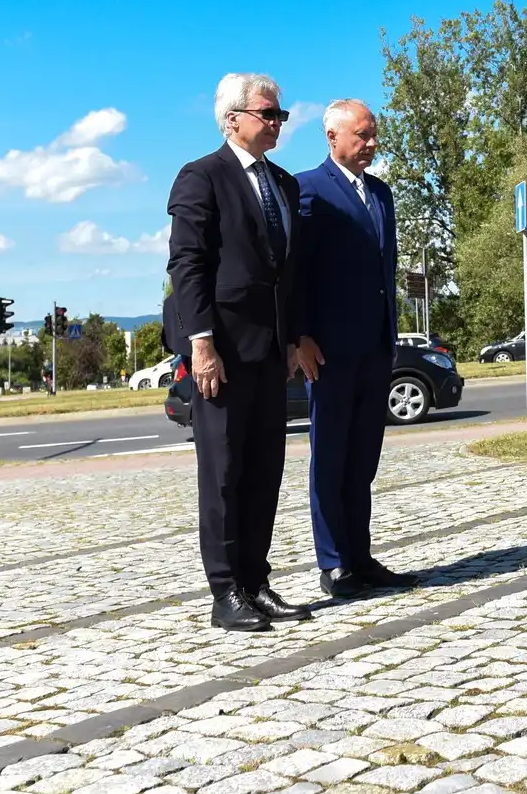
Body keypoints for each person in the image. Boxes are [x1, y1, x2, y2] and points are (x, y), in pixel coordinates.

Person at [166, 72, 323, 631]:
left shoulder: (283, 183)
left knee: (265, 470)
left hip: (270, 353)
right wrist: (201, 342)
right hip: (223, 352)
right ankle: (225, 590)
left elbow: (291, 273)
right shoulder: (201, 177)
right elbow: (187, 266)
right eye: (268, 113)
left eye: (280, 114)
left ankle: (257, 580)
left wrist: (294, 337)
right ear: (233, 119)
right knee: (225, 471)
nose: (278, 122)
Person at [296, 98, 418, 597]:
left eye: (374, 135)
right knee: (330, 455)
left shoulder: (381, 195)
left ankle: (360, 556)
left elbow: (383, 274)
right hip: (327, 350)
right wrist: (299, 335)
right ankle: (334, 563)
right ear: (332, 137)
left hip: (374, 348)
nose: (371, 144)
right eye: (362, 135)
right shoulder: (307, 190)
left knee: (363, 457)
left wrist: (390, 336)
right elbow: (296, 272)